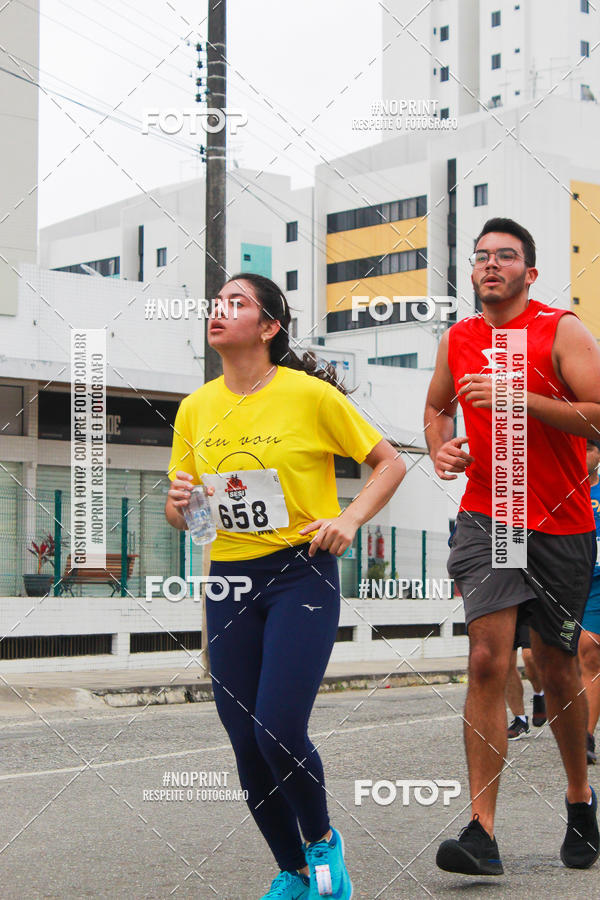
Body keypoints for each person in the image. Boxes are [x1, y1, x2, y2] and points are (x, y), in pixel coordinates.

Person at [165, 273, 406, 900]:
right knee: (245, 742)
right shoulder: (196, 407)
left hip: (301, 571)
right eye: (214, 302)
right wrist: (179, 503)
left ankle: (324, 844)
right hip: (228, 579)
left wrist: (349, 519)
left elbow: (390, 462)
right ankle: (292, 872)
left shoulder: (308, 396)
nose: (218, 310)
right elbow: (188, 515)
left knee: (277, 727)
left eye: (235, 303)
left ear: (269, 326)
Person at [424, 217, 600, 877]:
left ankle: (580, 803)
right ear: (472, 274)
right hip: (487, 519)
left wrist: (514, 397)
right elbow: (436, 406)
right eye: (481, 258)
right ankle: (481, 832)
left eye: (506, 256)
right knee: (486, 661)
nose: (491, 265)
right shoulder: (459, 339)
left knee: (556, 668)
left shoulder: (563, 330)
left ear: (530, 272)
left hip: (560, 523)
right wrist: (442, 443)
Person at [578, 439, 600, 765]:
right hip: (579, 580)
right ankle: (584, 734)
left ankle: (586, 735)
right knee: (587, 653)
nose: (583, 455)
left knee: (590, 651)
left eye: (590, 448)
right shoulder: (561, 490)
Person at [505, 623, 546, 739]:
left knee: (530, 656)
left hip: (530, 608)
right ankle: (520, 721)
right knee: (506, 663)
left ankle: (539, 693)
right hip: (503, 607)